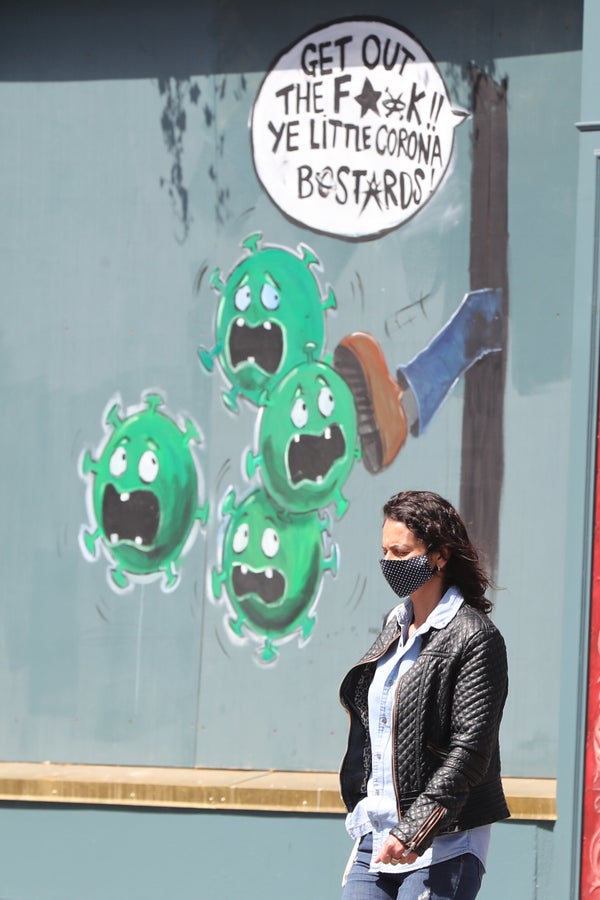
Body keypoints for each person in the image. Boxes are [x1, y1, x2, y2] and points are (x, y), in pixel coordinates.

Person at [339, 490, 509, 900]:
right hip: (378, 836)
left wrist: (416, 826)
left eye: (400, 551)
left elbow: (470, 750)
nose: (389, 563)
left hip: (444, 841)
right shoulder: (395, 624)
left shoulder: (474, 636)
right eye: (384, 551)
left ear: (440, 556)